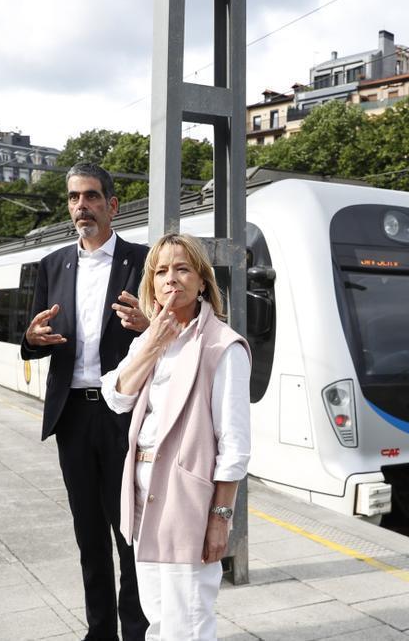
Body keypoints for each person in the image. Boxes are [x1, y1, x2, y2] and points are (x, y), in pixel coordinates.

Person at [20, 162, 150, 641]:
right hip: (73, 415)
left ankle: (136, 631)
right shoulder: (51, 265)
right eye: (75, 198)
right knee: (88, 534)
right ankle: (100, 632)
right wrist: (32, 339)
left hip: (125, 415)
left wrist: (149, 325)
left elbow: (171, 331)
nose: (81, 207)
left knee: (130, 533)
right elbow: (32, 340)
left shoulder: (144, 260)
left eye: (91, 197)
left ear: (112, 205)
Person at [102, 233, 251, 640]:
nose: (171, 279)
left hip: (188, 503)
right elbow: (116, 396)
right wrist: (151, 341)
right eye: (161, 271)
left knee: (188, 624)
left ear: (202, 281)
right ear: (151, 284)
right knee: (159, 620)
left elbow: (234, 445)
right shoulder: (152, 342)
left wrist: (221, 520)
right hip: (142, 502)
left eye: (183, 268)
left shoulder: (223, 346)